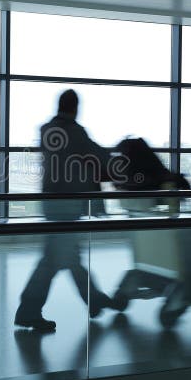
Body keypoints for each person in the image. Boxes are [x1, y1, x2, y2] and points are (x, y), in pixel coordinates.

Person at [14, 89, 115, 331]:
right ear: (75, 107)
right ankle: (28, 310)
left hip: (51, 201)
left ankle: (93, 300)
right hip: (68, 204)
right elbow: (97, 156)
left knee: (68, 257)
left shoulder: (47, 130)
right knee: (54, 260)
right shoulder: (75, 132)